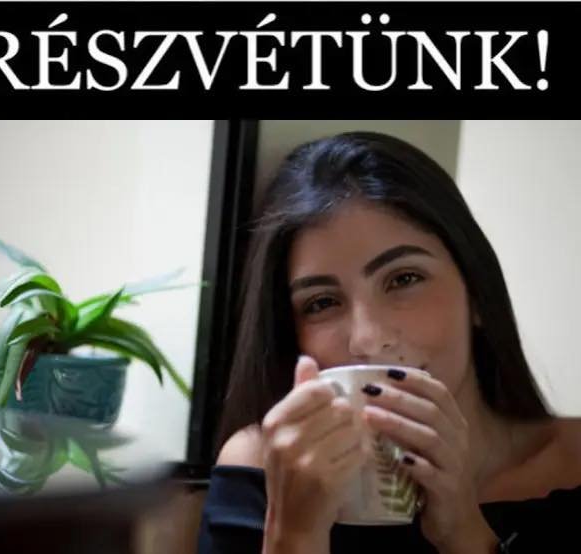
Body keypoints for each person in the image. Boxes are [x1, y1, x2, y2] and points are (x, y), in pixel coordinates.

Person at [197, 131, 581, 554]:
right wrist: (294, 533)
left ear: (476, 293)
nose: (367, 339)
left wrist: (464, 532)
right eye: (322, 303)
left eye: (403, 279)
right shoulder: (262, 464)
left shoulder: (570, 462)